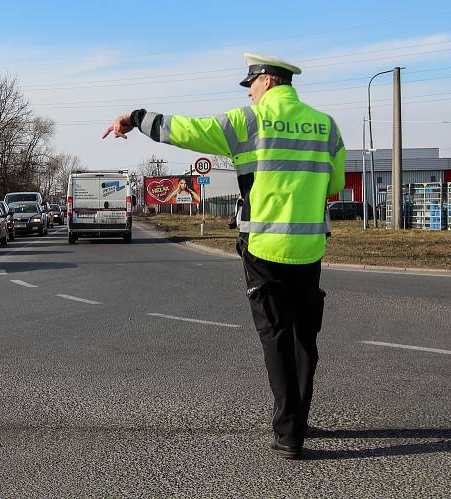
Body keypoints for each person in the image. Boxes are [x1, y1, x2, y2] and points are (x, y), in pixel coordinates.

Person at [103, 53, 345, 459]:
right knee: (305, 335)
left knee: (276, 335)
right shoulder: (326, 126)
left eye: (250, 85)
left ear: (266, 81)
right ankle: (299, 420)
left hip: (264, 246)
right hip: (309, 247)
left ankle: (288, 434)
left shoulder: (248, 122)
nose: (249, 93)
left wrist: (136, 116)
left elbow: (185, 130)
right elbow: (335, 182)